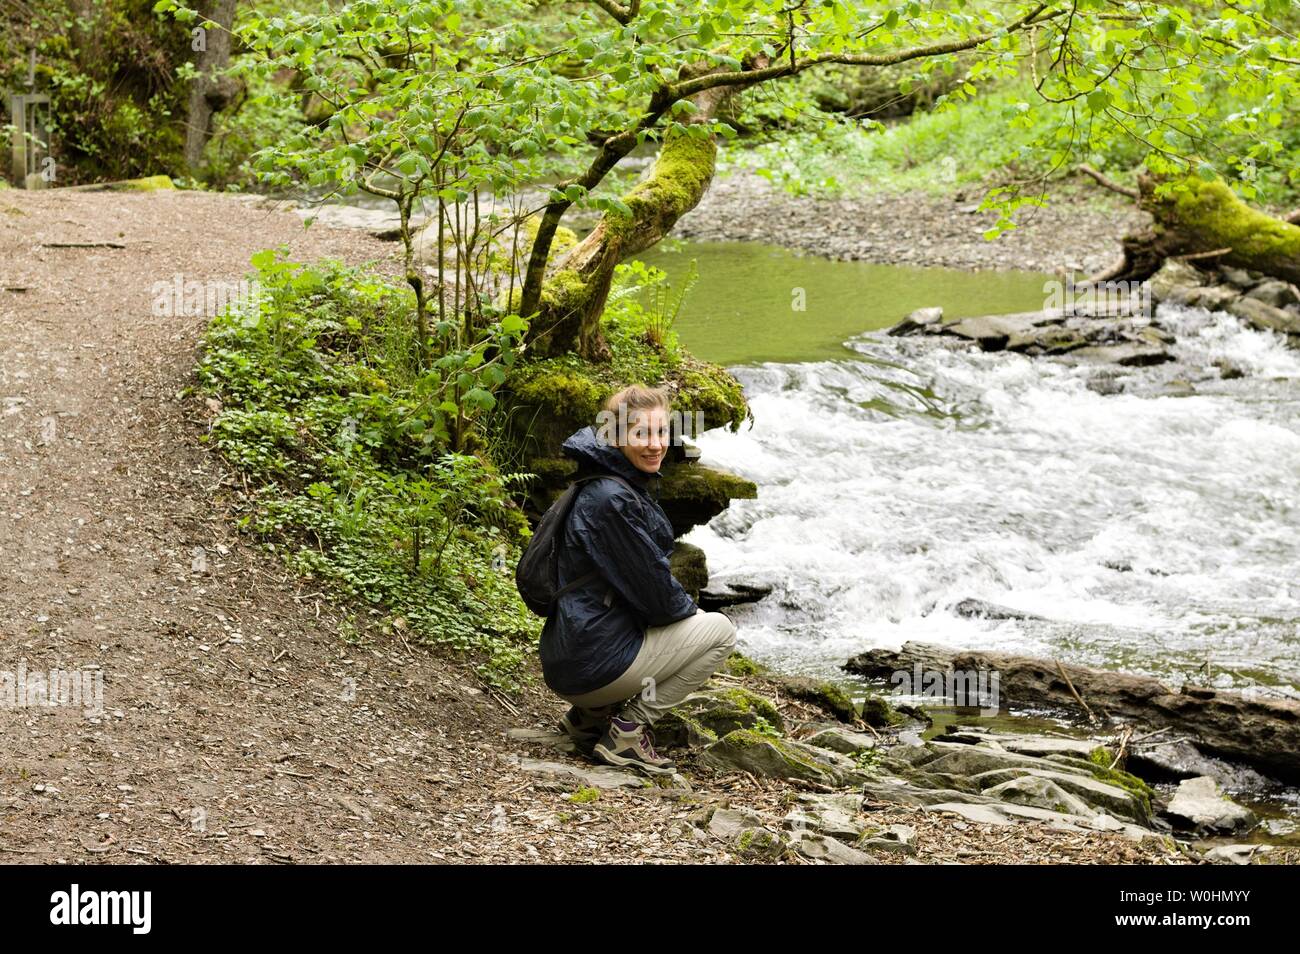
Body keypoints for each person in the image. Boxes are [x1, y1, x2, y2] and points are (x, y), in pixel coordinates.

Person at [539, 384, 738, 776]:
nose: (655, 444)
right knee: (719, 632)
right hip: (592, 666)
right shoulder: (613, 500)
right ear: (615, 436)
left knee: (677, 622)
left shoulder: (601, 482)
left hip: (571, 658)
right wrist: (691, 619)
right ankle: (627, 731)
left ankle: (591, 718)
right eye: (641, 433)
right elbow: (658, 598)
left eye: (661, 432)